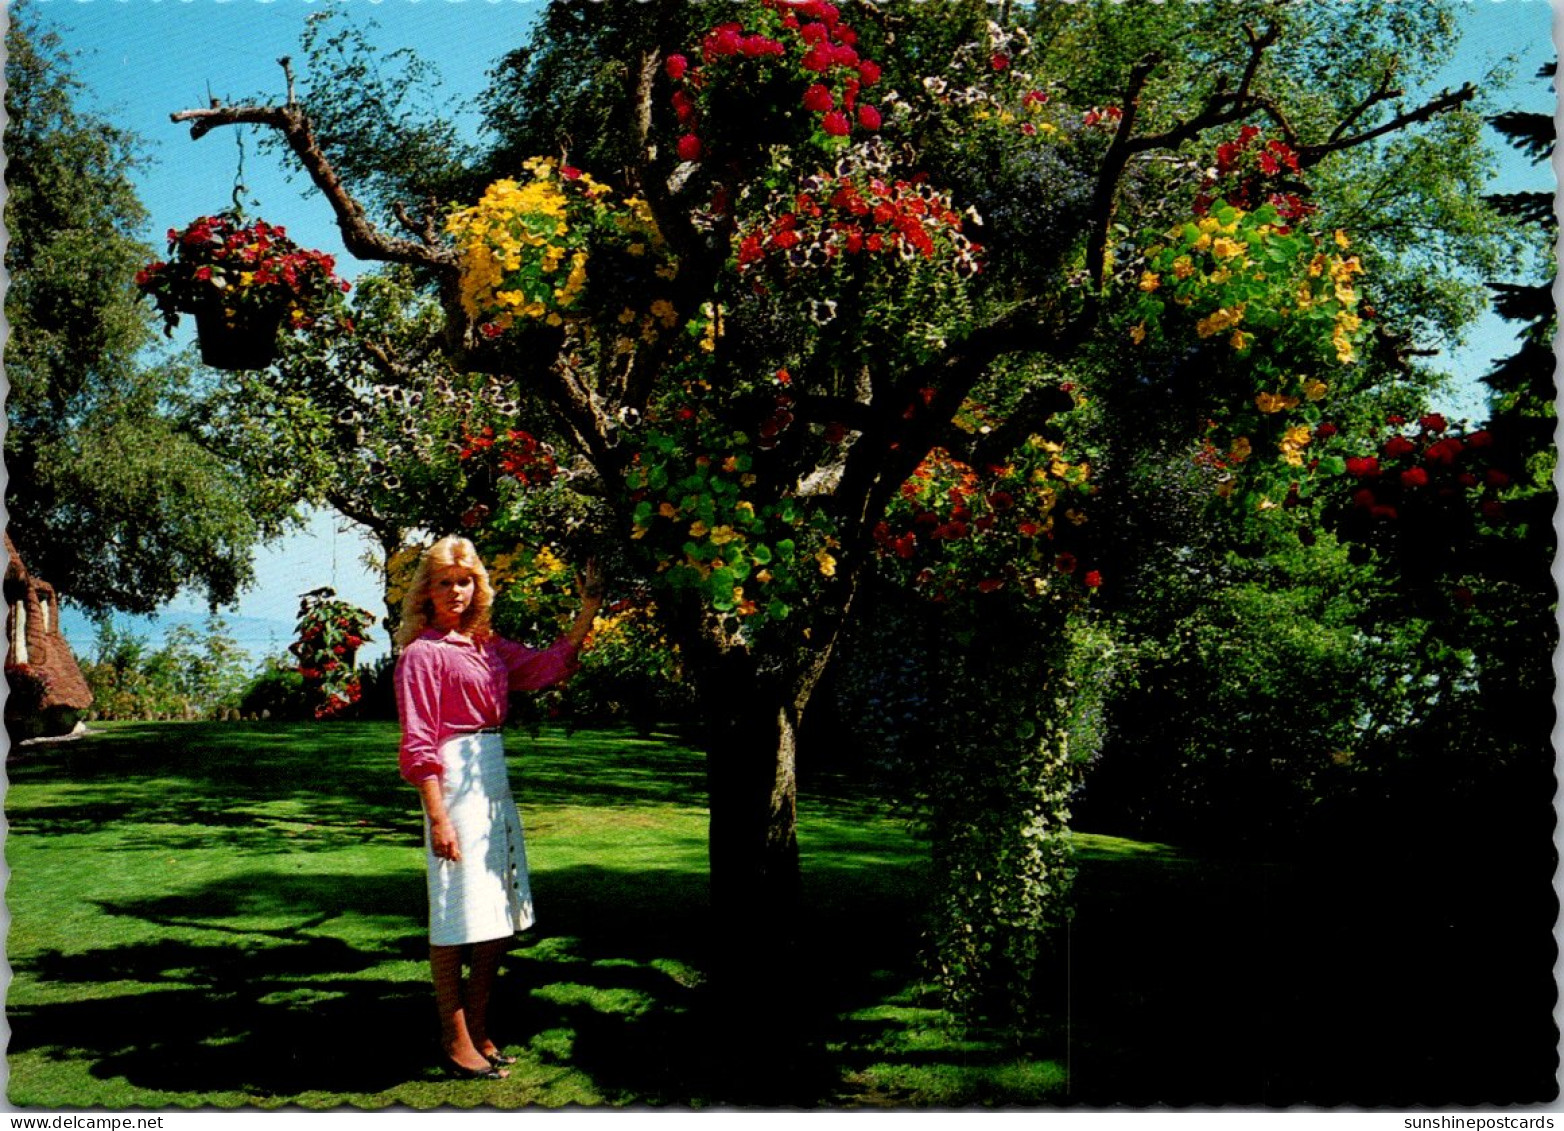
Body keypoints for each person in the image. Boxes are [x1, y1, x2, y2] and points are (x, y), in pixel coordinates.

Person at [394, 535, 604, 1080]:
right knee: (455, 911)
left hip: (493, 777)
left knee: (496, 918)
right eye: (445, 583)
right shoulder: (422, 655)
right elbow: (418, 742)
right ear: (428, 592)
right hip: (453, 780)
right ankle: (453, 1035)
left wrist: (588, 610)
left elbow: (549, 667)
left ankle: (482, 1029)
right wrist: (438, 816)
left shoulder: (488, 648)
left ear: (476, 587)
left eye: (464, 582)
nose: (456, 592)